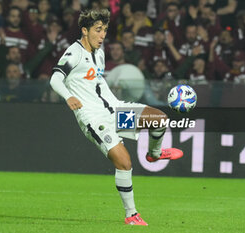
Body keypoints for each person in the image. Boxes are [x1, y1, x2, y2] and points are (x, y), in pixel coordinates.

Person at [49, 8, 183, 226]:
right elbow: (55, 79)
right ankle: (131, 215)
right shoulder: (74, 53)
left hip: (116, 111)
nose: (102, 35)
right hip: (94, 119)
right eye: (98, 30)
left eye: (105, 31)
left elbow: (95, 83)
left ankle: (154, 154)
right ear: (85, 30)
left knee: (159, 119)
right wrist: (68, 96)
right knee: (124, 162)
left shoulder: (99, 53)